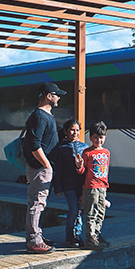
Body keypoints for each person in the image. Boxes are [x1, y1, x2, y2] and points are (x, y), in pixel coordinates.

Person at [23, 82, 66, 254]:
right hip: (40, 168)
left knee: (38, 203)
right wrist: (47, 164)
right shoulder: (40, 116)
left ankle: (36, 236)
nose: (59, 98)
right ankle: (34, 240)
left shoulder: (44, 115)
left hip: (42, 167)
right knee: (36, 203)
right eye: (57, 94)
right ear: (49, 96)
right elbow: (34, 144)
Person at [50, 119, 89, 248]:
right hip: (68, 185)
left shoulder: (84, 147)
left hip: (81, 185)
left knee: (80, 211)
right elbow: (58, 169)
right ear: (66, 131)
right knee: (73, 209)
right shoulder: (61, 149)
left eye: (77, 130)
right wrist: (58, 187)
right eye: (72, 130)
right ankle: (69, 237)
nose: (75, 132)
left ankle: (77, 234)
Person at [75, 121, 110, 250]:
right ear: (90, 137)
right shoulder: (87, 152)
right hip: (90, 187)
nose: (98, 140)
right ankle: (90, 238)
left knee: (101, 212)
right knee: (91, 212)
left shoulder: (106, 152)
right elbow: (82, 170)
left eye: (101, 138)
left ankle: (97, 234)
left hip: (102, 187)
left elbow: (105, 170)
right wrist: (79, 166)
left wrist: (105, 186)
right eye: (95, 137)